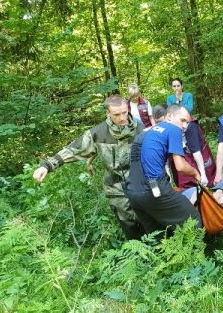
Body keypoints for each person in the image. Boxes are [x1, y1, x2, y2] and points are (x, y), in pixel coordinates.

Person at [32, 95, 145, 240]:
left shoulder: (141, 130)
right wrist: (47, 166)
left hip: (140, 185)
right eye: (117, 114)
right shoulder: (98, 133)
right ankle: (136, 255)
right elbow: (73, 149)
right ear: (108, 114)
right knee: (129, 227)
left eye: (124, 112)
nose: (122, 118)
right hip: (116, 188)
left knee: (148, 221)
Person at [124, 104, 202, 235]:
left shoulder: (145, 132)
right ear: (169, 116)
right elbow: (180, 166)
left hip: (132, 192)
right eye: (182, 120)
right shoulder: (172, 129)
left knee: (157, 235)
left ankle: (162, 255)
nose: (184, 126)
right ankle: (195, 254)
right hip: (154, 190)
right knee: (193, 220)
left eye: (187, 123)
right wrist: (195, 172)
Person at [169, 115, 216, 188]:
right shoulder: (174, 129)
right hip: (189, 165)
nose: (184, 126)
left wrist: (202, 174)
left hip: (199, 163)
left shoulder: (191, 126)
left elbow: (196, 151)